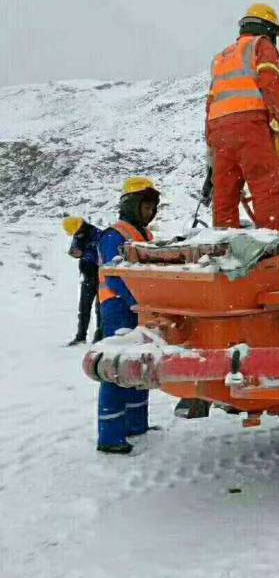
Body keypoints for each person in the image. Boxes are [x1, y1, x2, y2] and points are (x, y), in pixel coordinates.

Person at [206, 3, 279, 230]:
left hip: (220, 131)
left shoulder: (221, 57)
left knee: (225, 193)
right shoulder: (260, 45)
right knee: (264, 184)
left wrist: (210, 144)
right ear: (270, 30)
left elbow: (211, 102)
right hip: (249, 125)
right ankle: (269, 240)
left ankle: (223, 241)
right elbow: (269, 83)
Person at [96, 177, 160, 454]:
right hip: (118, 308)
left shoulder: (144, 235)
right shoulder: (114, 234)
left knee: (140, 364)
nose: (149, 212)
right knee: (117, 367)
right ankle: (110, 436)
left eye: (152, 207)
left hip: (140, 308)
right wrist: (139, 301)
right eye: (145, 206)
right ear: (132, 205)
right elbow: (114, 276)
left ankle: (136, 424)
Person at [63, 216, 103, 345]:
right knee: (84, 308)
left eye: (77, 232)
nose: (76, 235)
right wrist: (75, 253)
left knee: (100, 308)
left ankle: (100, 336)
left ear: (81, 226)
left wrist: (85, 252)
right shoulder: (78, 235)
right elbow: (74, 250)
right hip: (87, 277)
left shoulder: (97, 234)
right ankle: (81, 336)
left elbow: (101, 255)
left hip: (100, 276)